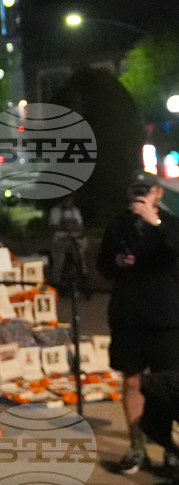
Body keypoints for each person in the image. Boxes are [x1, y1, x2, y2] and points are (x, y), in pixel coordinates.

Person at [97, 171, 179, 476]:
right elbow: (102, 265)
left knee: (166, 385)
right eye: (135, 190)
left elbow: (174, 249)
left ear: (158, 193)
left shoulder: (169, 224)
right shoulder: (119, 224)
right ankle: (137, 447)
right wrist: (116, 262)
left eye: (146, 190)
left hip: (164, 316)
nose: (139, 195)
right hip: (128, 314)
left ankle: (170, 451)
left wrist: (154, 222)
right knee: (131, 381)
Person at [48, 194, 87, 289]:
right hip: (60, 240)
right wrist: (70, 227)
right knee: (59, 261)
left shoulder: (75, 211)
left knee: (80, 255)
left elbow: (80, 226)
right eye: (66, 200)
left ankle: (83, 277)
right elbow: (54, 226)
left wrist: (69, 227)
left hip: (75, 239)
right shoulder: (55, 211)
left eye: (70, 200)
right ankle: (56, 282)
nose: (68, 202)